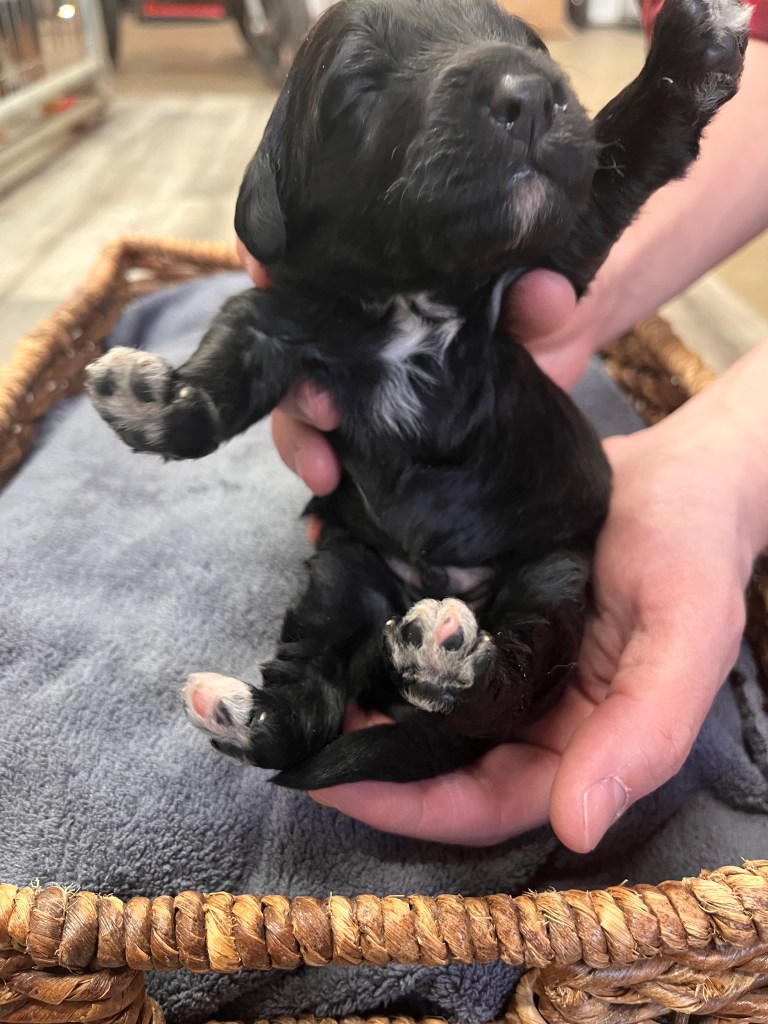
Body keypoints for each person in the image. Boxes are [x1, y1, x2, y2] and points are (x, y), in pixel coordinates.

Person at [238, 6, 768, 853]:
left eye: (524, 49)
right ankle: (312, 697)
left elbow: (590, 191)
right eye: (368, 87)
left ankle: (462, 681)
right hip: (388, 534)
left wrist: (731, 459)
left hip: (524, 536)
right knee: (346, 579)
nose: (519, 89)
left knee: (523, 605)